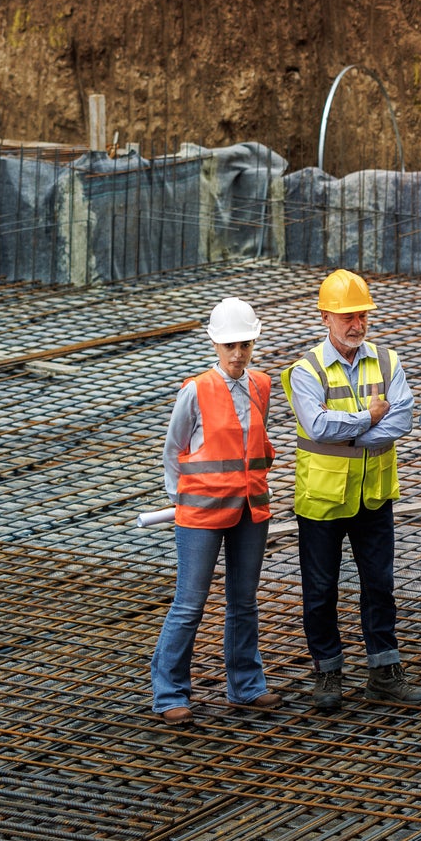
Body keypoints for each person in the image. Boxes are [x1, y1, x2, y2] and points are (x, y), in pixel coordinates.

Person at [284, 268, 421, 714]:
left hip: (373, 497)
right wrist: (369, 419)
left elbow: (402, 418)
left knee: (380, 585)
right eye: (346, 316)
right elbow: (317, 425)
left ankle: (384, 673)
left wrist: (352, 433)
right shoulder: (304, 371)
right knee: (321, 590)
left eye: (362, 315)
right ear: (325, 317)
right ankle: (327, 670)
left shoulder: (387, 361)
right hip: (323, 501)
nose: (356, 324)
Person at [150, 297, 279, 724]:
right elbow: (174, 449)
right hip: (201, 513)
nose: (238, 353)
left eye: (244, 344)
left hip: (249, 509)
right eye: (229, 346)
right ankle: (170, 695)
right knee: (189, 604)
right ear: (214, 345)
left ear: (253, 341)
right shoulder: (196, 389)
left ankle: (246, 686)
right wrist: (178, 499)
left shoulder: (261, 385)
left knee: (243, 601)